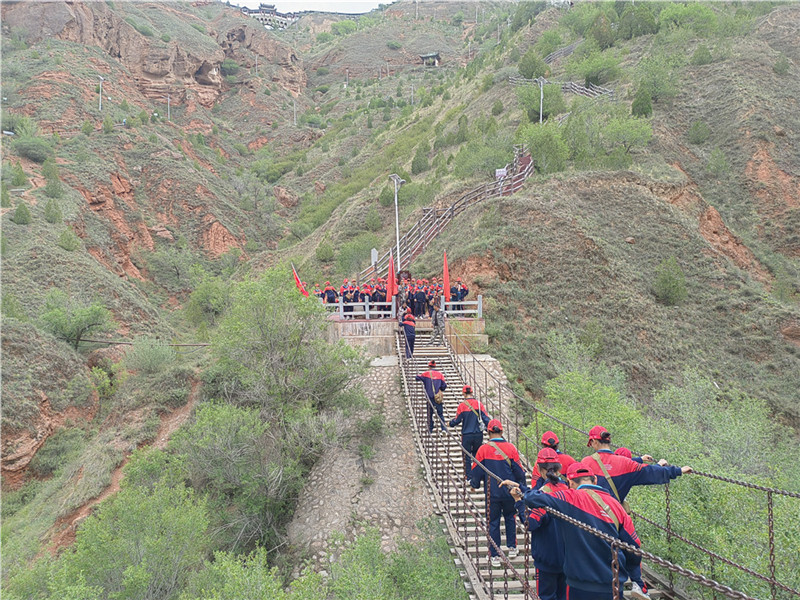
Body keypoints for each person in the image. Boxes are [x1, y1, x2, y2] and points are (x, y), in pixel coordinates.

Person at [510, 462, 644, 600]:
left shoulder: (570, 497)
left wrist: (521, 495)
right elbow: (633, 546)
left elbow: (533, 499)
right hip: (614, 585)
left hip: (579, 584)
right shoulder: (617, 506)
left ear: (570, 483)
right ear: (595, 480)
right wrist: (634, 575)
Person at [580, 426, 692, 504]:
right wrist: (678, 470)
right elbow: (649, 472)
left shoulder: (585, 462)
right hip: (611, 515)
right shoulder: (626, 464)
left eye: (591, 443)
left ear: (594, 441)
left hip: (587, 512)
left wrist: (640, 459)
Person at [512, 448, 569, 600]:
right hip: (568, 558)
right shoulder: (570, 491)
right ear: (559, 468)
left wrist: (518, 502)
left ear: (538, 468)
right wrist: (522, 489)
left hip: (546, 558)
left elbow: (530, 523)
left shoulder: (543, 496)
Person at [470, 419, 527, 567]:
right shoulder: (511, 448)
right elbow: (519, 471)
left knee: (493, 522)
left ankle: (494, 555)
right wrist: (522, 486)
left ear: (488, 432)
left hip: (492, 493)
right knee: (510, 517)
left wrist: (474, 484)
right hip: (509, 492)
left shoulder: (483, 449)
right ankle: (512, 548)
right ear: (502, 431)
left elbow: (476, 470)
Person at [449, 385, 490, 478]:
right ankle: (477, 476)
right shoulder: (479, 404)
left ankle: (468, 476)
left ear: (463, 393)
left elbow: (457, 420)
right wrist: (491, 429)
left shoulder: (462, 406)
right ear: (472, 392)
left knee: (466, 456)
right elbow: (486, 418)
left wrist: (450, 424)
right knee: (477, 455)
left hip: (466, 434)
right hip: (478, 434)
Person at [416, 360, 447, 433]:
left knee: (429, 414)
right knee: (440, 414)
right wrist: (439, 389)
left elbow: (417, 378)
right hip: (437, 398)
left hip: (429, 397)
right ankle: (443, 429)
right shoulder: (440, 374)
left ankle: (430, 429)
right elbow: (444, 386)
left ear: (429, 366)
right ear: (435, 366)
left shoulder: (426, 373)